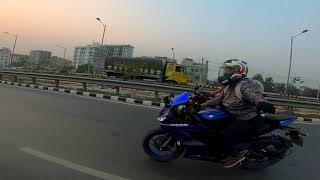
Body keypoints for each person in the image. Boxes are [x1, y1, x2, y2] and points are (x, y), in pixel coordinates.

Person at [201, 59, 275, 168]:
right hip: (234, 117)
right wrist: (202, 105)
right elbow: (218, 99)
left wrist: (261, 103)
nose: (225, 73)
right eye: (225, 70)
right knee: (212, 129)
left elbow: (253, 96)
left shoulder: (244, 86)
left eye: (229, 70)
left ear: (239, 71)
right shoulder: (229, 86)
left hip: (249, 120)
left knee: (223, 134)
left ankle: (235, 156)